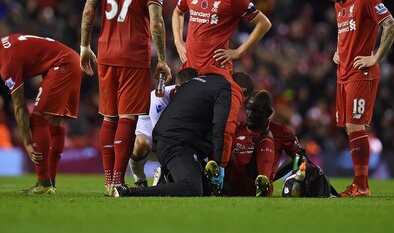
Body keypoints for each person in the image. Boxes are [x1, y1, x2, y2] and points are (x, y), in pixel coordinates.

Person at [79, 0, 171, 195]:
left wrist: (84, 46)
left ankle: (109, 180)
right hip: (133, 55)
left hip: (105, 53)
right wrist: (163, 60)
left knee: (108, 118)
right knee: (127, 118)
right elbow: (156, 21)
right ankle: (119, 180)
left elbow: (88, 10)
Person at [313, 0, 394, 197]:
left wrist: (376, 57)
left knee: (355, 125)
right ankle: (359, 184)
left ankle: (362, 185)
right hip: (343, 72)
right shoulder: (338, 5)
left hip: (361, 73)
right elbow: (348, 34)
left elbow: (391, 26)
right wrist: (338, 51)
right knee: (350, 128)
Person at [0, 31, 83, 195]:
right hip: (70, 60)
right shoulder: (4, 43)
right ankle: (50, 182)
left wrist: (27, 142)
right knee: (56, 122)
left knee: (38, 119)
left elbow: (20, 106)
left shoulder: (7, 63)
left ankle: (44, 182)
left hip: (63, 65)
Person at [113, 66, 243, 197]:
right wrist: (221, 164)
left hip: (177, 142)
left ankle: (166, 177)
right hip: (178, 144)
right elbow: (224, 129)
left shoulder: (200, 81)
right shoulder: (230, 90)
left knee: (221, 191)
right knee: (192, 188)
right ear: (243, 90)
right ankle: (130, 191)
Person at [128, 67, 199, 188]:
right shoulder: (159, 99)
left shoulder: (198, 97)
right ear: (177, 88)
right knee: (142, 144)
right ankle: (139, 178)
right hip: (151, 121)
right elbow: (160, 137)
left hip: (175, 127)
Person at [224, 91, 276, 197]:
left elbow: (297, 156)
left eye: (256, 111)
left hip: (252, 183)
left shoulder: (279, 132)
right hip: (232, 182)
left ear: (268, 113)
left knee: (266, 136)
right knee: (225, 135)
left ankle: (262, 186)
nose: (250, 115)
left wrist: (274, 176)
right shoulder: (237, 128)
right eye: (248, 109)